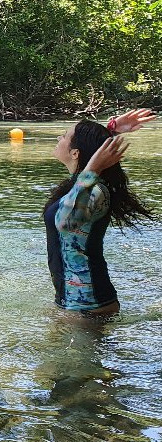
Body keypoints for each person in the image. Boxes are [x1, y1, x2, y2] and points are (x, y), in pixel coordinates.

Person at [46, 108, 156, 316]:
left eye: (65, 136)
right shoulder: (79, 185)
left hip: (89, 306)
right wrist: (110, 130)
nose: (59, 138)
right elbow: (89, 146)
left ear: (75, 153)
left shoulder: (94, 190)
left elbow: (65, 221)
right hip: (74, 303)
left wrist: (93, 167)